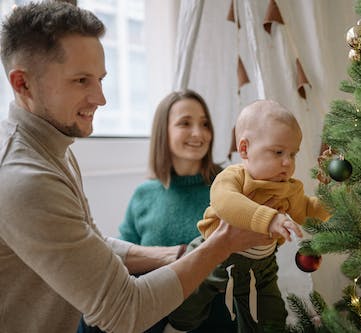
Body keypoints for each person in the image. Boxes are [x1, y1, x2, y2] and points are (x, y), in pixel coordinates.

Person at [0, 2, 271, 332]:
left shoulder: (55, 146)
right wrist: (222, 244)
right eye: (81, 80)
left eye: (100, 79)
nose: (101, 98)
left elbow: (95, 242)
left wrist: (178, 253)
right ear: (22, 84)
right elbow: (123, 311)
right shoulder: (25, 178)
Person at [79, 90, 237, 333]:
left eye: (205, 124)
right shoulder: (144, 194)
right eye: (185, 123)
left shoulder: (227, 188)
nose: (199, 133)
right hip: (152, 314)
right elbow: (124, 265)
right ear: (164, 131)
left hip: (208, 316)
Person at [168, 100, 331, 332]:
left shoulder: (289, 187)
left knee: (271, 316)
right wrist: (271, 219)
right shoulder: (234, 177)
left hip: (261, 266)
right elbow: (226, 203)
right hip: (213, 255)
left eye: (293, 154)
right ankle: (176, 327)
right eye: (278, 152)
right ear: (244, 149)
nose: (288, 162)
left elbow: (306, 210)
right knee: (187, 301)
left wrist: (333, 204)